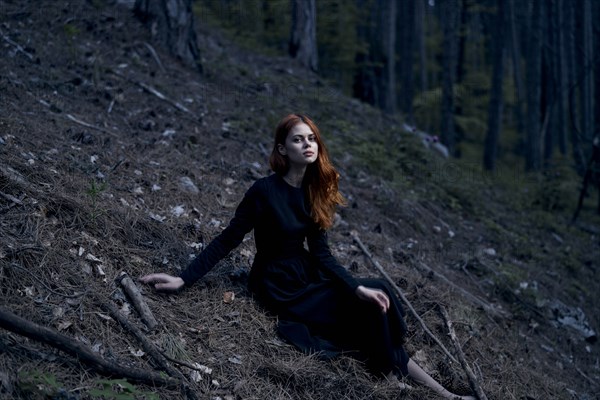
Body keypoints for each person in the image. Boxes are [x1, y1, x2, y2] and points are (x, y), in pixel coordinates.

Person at [140, 114, 475, 399]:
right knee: (369, 309)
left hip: (307, 273)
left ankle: (440, 392)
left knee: (376, 291)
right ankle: (414, 384)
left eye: (311, 138)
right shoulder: (263, 192)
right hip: (277, 284)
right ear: (282, 149)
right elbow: (228, 239)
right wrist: (184, 278)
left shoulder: (315, 192)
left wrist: (354, 287)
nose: (307, 144)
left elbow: (322, 254)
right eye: (298, 140)